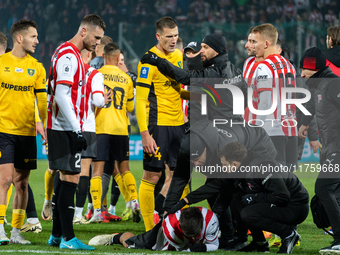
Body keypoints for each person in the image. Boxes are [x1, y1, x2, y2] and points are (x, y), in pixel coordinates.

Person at [170, 142, 309, 254]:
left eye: (224, 165)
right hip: (280, 203)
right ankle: (259, 243)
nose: (223, 168)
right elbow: (214, 186)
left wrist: (255, 197)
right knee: (237, 196)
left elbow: (282, 196)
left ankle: (289, 234)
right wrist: (184, 201)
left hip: (295, 206)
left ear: (234, 164)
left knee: (248, 213)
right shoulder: (240, 168)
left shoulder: (262, 167)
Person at [46, 14, 105, 250]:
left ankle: (57, 236)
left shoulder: (72, 55)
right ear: (83, 31)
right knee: (71, 179)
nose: (97, 43)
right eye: (96, 37)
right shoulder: (69, 55)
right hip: (65, 127)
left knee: (64, 178)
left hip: (64, 126)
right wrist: (77, 129)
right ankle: (68, 239)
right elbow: (61, 94)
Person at [136, 16, 188, 231]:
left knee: (181, 174)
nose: (173, 40)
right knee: (152, 175)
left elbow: (177, 90)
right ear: (158, 36)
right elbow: (140, 99)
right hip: (158, 125)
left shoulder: (178, 56)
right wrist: (145, 134)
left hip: (179, 125)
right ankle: (149, 229)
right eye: (169, 36)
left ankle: (179, 226)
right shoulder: (148, 60)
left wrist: (199, 96)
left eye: (176, 35)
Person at [0, 20, 47, 245]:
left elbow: (41, 103)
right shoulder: (1, 63)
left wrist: (44, 125)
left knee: (22, 184)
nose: (37, 41)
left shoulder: (37, 68)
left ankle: (16, 232)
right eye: (33, 37)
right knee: (5, 180)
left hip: (27, 133)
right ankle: (0, 228)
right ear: (20, 38)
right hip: (3, 131)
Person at [298, 47, 340, 254]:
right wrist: (305, 123)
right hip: (330, 147)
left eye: (304, 69)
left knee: (324, 189)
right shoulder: (319, 86)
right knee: (335, 194)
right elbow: (313, 107)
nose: (302, 74)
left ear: (315, 68)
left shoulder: (332, 84)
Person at [90, 42, 138, 223]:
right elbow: (131, 108)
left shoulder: (96, 75)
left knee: (98, 171)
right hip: (121, 129)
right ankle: (134, 201)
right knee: (124, 169)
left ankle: (96, 210)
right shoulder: (126, 78)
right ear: (119, 58)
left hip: (101, 128)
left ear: (103, 57)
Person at [248, 23, 298, 171]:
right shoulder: (289, 64)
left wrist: (257, 131)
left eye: (255, 42)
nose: (252, 46)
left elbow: (265, 101)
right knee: (290, 178)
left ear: (266, 44)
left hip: (273, 130)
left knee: (274, 179)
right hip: (290, 127)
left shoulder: (264, 66)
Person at [73, 49, 114, 224]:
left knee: (64, 173)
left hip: (67, 126)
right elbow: (98, 102)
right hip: (88, 127)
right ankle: (78, 214)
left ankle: (54, 207)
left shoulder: (67, 70)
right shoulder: (93, 74)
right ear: (89, 55)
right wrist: (104, 99)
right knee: (84, 172)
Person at [88, 207, 219, 252]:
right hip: (163, 235)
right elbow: (184, 250)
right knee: (132, 244)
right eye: (190, 237)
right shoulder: (169, 230)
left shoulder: (210, 219)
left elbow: (214, 245)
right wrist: (193, 247)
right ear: (180, 227)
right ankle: (114, 237)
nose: (194, 239)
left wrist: (204, 247)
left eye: (195, 236)